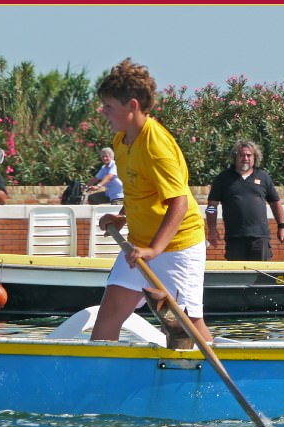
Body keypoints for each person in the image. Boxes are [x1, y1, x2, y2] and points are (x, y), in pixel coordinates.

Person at [90, 58, 212, 343]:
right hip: (139, 245)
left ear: (132, 106)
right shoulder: (121, 140)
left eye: (109, 106)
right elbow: (139, 189)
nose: (103, 111)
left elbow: (179, 203)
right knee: (110, 313)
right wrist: (123, 217)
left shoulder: (156, 146)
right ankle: (100, 369)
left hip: (177, 246)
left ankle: (228, 364)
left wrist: (154, 250)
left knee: (185, 325)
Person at [206, 140, 284, 260]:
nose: (245, 158)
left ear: (254, 157)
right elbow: (211, 206)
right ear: (235, 157)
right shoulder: (223, 178)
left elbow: (275, 204)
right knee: (237, 272)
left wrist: (282, 227)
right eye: (242, 155)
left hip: (260, 238)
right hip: (234, 238)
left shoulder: (263, 177)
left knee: (260, 272)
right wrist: (212, 229)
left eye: (249, 155)